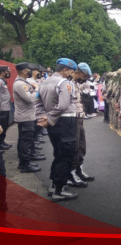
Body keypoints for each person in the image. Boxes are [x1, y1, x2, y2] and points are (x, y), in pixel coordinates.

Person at [36, 58, 79, 201]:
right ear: (65, 70)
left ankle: (54, 185)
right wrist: (50, 118)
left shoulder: (44, 82)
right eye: (71, 72)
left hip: (53, 122)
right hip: (65, 121)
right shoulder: (64, 83)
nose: (71, 75)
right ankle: (59, 190)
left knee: (59, 153)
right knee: (65, 155)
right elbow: (63, 105)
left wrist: (43, 117)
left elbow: (38, 102)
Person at [13, 63, 42, 173]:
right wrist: (37, 90)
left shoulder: (23, 82)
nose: (31, 72)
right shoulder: (20, 84)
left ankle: (24, 162)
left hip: (26, 116)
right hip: (25, 117)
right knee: (26, 142)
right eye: (30, 70)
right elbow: (30, 99)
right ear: (25, 71)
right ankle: (25, 165)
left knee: (24, 141)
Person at [70, 63, 95, 186]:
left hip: (79, 119)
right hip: (71, 119)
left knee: (81, 146)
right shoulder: (67, 84)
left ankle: (79, 170)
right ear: (77, 72)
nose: (84, 78)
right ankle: (72, 173)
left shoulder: (76, 84)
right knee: (74, 148)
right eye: (84, 75)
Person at [0, 66, 12, 151]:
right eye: (7, 71)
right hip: (2, 108)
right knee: (2, 126)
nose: (9, 73)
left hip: (5, 107)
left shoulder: (2, 81)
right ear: (3, 72)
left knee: (5, 126)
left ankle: (2, 141)